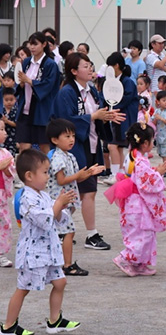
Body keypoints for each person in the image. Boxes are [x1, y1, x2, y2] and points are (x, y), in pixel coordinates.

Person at [0, 149, 80, 335]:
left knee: (60, 282)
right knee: (23, 288)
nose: (47, 176)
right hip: (33, 253)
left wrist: (61, 205)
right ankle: (9, 326)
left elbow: (58, 219)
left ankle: (55, 321)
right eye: (44, 172)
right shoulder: (26, 198)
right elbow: (43, 220)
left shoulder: (43, 195)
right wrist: (57, 205)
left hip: (49, 251)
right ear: (29, 176)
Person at [54, 53, 124, 252]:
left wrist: (106, 116)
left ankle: (60, 229)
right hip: (75, 147)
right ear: (74, 71)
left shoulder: (92, 90)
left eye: (90, 65)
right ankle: (90, 234)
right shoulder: (66, 92)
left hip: (90, 144)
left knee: (81, 192)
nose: (90, 68)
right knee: (82, 192)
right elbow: (64, 120)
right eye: (85, 66)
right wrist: (94, 115)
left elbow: (95, 116)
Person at [109, 123, 166, 277]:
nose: (153, 144)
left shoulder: (133, 156)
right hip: (137, 202)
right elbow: (146, 181)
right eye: (152, 141)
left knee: (144, 233)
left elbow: (140, 177)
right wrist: (158, 173)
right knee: (141, 234)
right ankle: (124, 259)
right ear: (145, 143)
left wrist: (155, 171)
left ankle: (139, 264)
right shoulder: (139, 160)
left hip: (134, 200)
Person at [45, 119, 103, 277]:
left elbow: (76, 179)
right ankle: (67, 265)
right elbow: (61, 180)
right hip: (59, 201)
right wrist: (79, 175)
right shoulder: (57, 157)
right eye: (67, 136)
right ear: (55, 140)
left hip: (66, 201)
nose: (71, 139)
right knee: (68, 232)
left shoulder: (69, 156)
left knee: (59, 232)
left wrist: (89, 173)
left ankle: (54, 262)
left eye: (73, 136)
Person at [16, 32, 60, 154]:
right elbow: (19, 82)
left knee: (44, 145)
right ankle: (23, 172)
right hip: (25, 108)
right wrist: (21, 84)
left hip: (41, 111)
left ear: (44, 44)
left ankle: (48, 171)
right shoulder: (26, 62)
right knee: (23, 145)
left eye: (35, 44)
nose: (32, 47)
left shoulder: (50, 64)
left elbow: (49, 85)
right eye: (31, 44)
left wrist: (29, 81)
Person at [103, 52, 138, 185]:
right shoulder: (113, 81)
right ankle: (122, 173)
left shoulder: (127, 81)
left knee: (113, 145)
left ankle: (115, 174)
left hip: (124, 118)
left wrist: (113, 108)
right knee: (118, 147)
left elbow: (125, 99)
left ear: (116, 65)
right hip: (116, 117)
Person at [0, 121, 13, 268]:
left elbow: (10, 175)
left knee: (4, 223)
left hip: (1, 193)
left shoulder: (6, 154)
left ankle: (1, 253)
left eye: (4, 129)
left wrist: (6, 169)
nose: (5, 132)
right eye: (1, 129)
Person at [2, 87, 18, 157]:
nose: (9, 102)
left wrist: (7, 121)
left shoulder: (16, 111)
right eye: (6, 100)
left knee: (11, 155)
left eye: (11, 100)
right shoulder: (1, 111)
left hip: (12, 138)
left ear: (15, 99)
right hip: (2, 137)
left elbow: (16, 124)